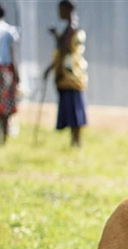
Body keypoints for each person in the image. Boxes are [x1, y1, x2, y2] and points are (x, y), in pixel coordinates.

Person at [44, 0, 87, 147]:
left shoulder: (71, 28)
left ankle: (76, 142)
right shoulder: (71, 28)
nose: (59, 14)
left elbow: (64, 49)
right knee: (72, 110)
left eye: (61, 10)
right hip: (70, 76)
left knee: (74, 110)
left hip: (70, 77)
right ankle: (74, 143)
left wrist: (52, 68)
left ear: (67, 10)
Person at [0, 3, 19, 144]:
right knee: (5, 105)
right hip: (5, 71)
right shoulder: (8, 30)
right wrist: (16, 73)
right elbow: (12, 54)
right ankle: (5, 136)